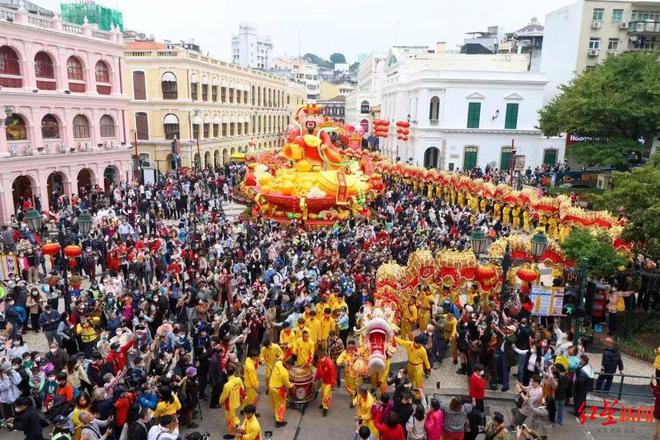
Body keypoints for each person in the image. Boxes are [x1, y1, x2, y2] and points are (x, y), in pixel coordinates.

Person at [219, 365, 246, 439]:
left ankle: (234, 432)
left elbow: (223, 397)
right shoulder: (238, 379)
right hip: (237, 402)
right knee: (233, 418)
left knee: (230, 420)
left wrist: (220, 403)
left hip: (229, 405)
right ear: (234, 372)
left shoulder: (227, 385)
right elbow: (242, 389)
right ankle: (239, 428)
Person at [268, 357, 292, 428]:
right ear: (288, 365)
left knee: (275, 402)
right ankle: (279, 421)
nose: (291, 368)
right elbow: (288, 385)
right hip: (277, 389)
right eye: (291, 367)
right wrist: (292, 385)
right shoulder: (285, 373)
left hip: (271, 386)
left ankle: (276, 414)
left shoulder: (278, 363)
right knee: (281, 404)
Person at [313, 348, 336, 416]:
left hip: (329, 383)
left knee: (326, 395)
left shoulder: (330, 363)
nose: (320, 358)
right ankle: (323, 404)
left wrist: (332, 384)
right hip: (324, 381)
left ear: (324, 356)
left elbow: (333, 374)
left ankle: (325, 408)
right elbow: (318, 371)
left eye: (321, 357)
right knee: (322, 394)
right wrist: (315, 378)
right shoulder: (320, 362)